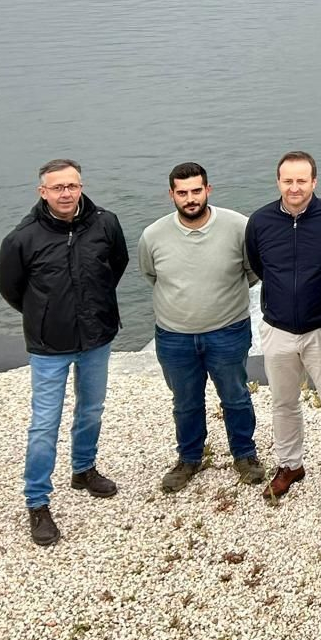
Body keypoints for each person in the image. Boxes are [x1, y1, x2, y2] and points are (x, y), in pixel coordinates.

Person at [0, 159, 129, 547]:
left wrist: (93, 307)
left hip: (97, 337)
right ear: (43, 192)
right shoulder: (22, 238)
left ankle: (83, 469)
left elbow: (115, 266)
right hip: (49, 346)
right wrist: (46, 314)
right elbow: (11, 289)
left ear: (81, 186)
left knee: (91, 410)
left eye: (72, 186)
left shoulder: (106, 223)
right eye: (57, 188)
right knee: (44, 424)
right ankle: (37, 502)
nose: (66, 193)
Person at [246, 151, 321, 506]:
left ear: (314, 181)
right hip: (278, 329)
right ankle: (289, 465)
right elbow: (259, 266)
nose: (294, 187)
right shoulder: (260, 222)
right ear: (278, 181)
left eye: (301, 180)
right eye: (288, 180)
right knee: (283, 401)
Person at [138, 161, 262, 494]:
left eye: (196, 191)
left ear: (208, 190)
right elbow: (151, 274)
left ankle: (245, 455)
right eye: (182, 193)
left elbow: (253, 271)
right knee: (185, 402)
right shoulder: (153, 236)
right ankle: (189, 458)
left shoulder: (238, 227)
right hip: (174, 336)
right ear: (171, 195)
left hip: (228, 330)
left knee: (236, 397)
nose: (190, 199)